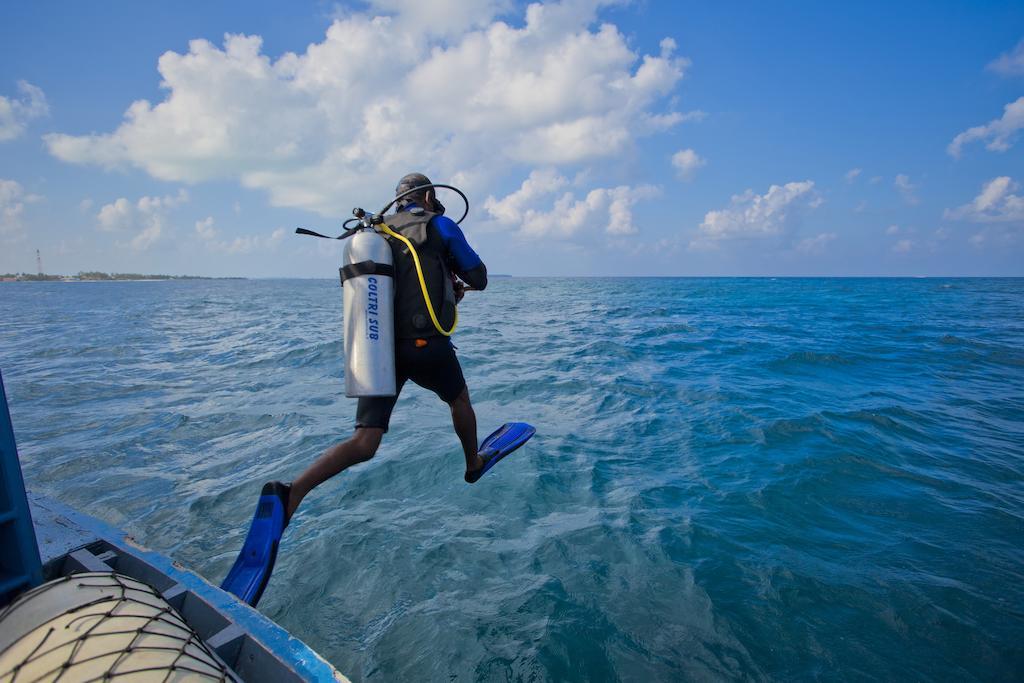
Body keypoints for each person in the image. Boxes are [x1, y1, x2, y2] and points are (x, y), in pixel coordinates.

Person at [279, 173, 489, 524]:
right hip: (426, 346)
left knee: (364, 442)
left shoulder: (375, 235)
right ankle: (473, 463)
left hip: (380, 352)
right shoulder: (440, 225)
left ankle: (293, 491)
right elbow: (479, 277)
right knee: (459, 400)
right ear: (428, 198)